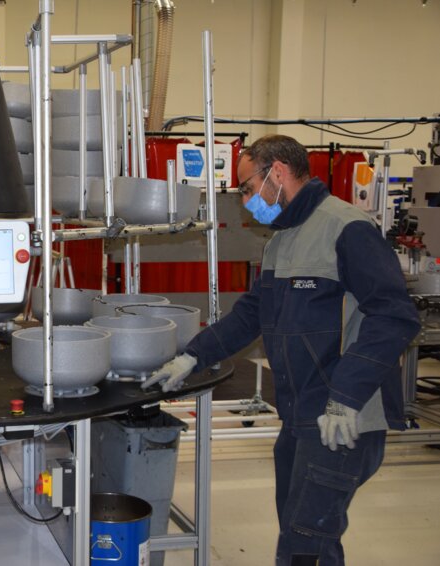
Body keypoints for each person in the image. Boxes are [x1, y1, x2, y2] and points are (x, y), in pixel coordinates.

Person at [142, 134, 420, 565]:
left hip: (341, 420)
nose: (246, 201)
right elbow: (253, 313)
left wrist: (345, 398)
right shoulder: (281, 239)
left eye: (247, 188)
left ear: (277, 172)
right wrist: (193, 355)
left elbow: (394, 316)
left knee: (305, 544)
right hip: (300, 415)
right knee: (303, 535)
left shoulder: (347, 228)